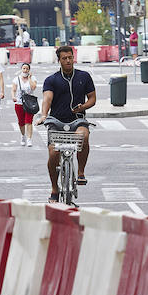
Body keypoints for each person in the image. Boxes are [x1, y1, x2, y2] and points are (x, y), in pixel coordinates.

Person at [35, 45, 96, 199]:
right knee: (53, 153)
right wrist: (44, 115)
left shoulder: (84, 76)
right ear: (59, 60)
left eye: (70, 57)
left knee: (84, 136)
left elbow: (92, 99)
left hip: (77, 120)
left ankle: (81, 172)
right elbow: (47, 99)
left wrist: (83, 106)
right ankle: (54, 189)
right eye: (64, 58)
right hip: (56, 121)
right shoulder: (51, 80)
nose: (68, 61)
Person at [13, 62, 38, 147]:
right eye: (24, 68)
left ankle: (29, 139)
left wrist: (30, 78)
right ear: (21, 69)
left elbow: (33, 87)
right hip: (19, 103)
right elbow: (13, 89)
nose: (25, 70)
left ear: (29, 70)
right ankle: (23, 136)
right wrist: (13, 97)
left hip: (29, 103)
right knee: (21, 122)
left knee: (29, 121)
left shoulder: (33, 78)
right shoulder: (16, 79)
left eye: (27, 69)